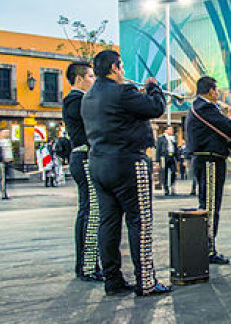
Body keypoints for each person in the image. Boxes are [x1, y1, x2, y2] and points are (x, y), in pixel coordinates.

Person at [81, 50, 171, 296]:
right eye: (121, 67)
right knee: (140, 222)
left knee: (108, 223)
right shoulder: (123, 92)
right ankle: (146, 281)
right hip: (128, 163)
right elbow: (156, 108)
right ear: (114, 67)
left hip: (99, 164)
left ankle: (113, 280)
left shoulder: (88, 98)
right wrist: (154, 87)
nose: (123, 72)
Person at [185, 76, 231, 265]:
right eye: (217, 90)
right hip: (209, 160)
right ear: (210, 91)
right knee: (210, 206)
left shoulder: (203, 107)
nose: (219, 93)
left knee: (210, 204)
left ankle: (209, 246)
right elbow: (229, 127)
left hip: (209, 159)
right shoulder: (205, 107)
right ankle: (208, 250)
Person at [62, 61, 103, 282]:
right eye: (90, 77)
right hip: (84, 157)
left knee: (90, 211)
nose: (93, 81)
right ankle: (87, 266)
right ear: (78, 79)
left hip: (87, 157)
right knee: (91, 212)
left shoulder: (80, 99)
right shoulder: (75, 100)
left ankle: (88, 264)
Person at [155, 126, 178, 195]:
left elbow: (176, 149)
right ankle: (166, 188)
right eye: (170, 129)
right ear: (166, 130)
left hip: (172, 156)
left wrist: (178, 158)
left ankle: (172, 184)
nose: (172, 131)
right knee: (164, 173)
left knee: (173, 171)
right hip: (164, 156)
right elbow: (158, 149)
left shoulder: (174, 138)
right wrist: (157, 161)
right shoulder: (161, 138)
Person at [0, 128, 13, 199]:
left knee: (6, 178)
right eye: (5, 132)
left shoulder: (7, 141)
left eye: (7, 132)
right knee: (3, 178)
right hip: (2, 162)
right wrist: (3, 159)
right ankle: (3, 193)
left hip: (8, 162)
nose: (7, 134)